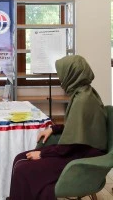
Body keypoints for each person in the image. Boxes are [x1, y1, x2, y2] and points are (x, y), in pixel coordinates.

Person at [9, 55, 107, 200]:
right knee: (20, 159)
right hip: (78, 150)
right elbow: (78, 126)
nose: (61, 79)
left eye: (62, 74)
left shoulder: (83, 100)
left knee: (23, 168)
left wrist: (43, 154)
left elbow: (72, 144)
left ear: (72, 74)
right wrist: (53, 129)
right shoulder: (84, 92)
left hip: (83, 157)